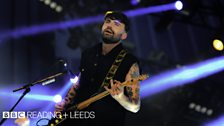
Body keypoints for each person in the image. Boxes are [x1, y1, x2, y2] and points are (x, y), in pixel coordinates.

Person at [54, 11, 141, 126]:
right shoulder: (88, 53)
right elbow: (79, 82)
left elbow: (135, 107)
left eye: (116, 24)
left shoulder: (129, 61)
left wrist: (121, 98)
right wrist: (65, 103)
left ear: (124, 35)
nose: (109, 25)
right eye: (107, 21)